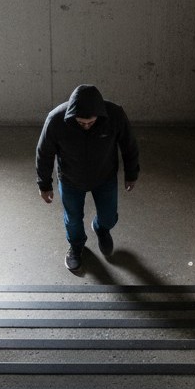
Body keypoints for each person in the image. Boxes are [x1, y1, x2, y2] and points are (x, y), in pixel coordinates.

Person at [35, 84, 140, 271]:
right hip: (70, 179)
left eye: (90, 123)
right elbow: (44, 153)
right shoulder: (56, 120)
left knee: (109, 217)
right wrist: (44, 185)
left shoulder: (115, 115)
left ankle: (101, 228)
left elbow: (128, 144)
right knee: (73, 218)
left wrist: (131, 174)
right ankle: (76, 246)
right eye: (80, 122)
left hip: (105, 177)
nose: (85, 126)